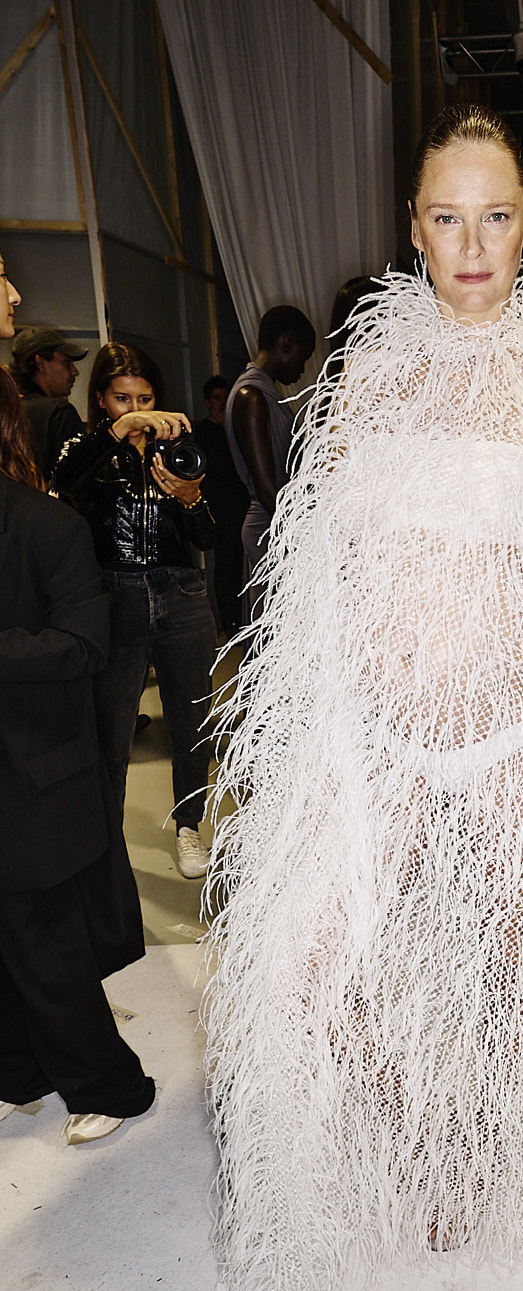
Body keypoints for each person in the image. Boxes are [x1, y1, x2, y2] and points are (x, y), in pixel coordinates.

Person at [205, 103, 523, 1291]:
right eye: (445, 218)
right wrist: (315, 714)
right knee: (340, 966)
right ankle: (406, 1135)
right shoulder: (365, 375)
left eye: (494, 217)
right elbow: (319, 567)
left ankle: (485, 1162)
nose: (471, 244)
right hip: (379, 745)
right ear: (413, 230)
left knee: (519, 971)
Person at [0, 256, 154, 1145]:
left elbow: (85, 647)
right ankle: (19, 1072)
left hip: (38, 778)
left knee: (44, 943)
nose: (18, 294)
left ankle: (110, 1085)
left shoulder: (47, 526)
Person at [51, 343, 218, 880]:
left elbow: (207, 538)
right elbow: (63, 487)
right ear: (100, 399)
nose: (136, 408)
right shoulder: (87, 446)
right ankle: (107, 841)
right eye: (122, 398)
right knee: (111, 727)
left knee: (192, 719)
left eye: (145, 398)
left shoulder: (177, 447)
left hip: (182, 590)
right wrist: (120, 434)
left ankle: (189, 826)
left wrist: (191, 497)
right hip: (114, 591)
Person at [225, 305, 315, 622]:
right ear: (286, 343)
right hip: (269, 525)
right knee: (275, 631)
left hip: (277, 522)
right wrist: (299, 538)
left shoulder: (267, 392)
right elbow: (266, 488)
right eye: (303, 358)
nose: (302, 369)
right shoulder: (251, 395)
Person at [194, 376, 249, 635]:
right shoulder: (205, 432)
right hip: (220, 510)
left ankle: (240, 618)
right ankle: (229, 622)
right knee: (225, 566)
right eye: (217, 398)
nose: (222, 402)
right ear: (208, 402)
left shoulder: (235, 429)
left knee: (239, 563)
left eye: (226, 397)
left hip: (240, 506)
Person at [10, 324, 87, 482]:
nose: (74, 371)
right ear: (41, 363)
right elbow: (76, 481)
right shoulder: (59, 412)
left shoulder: (9, 409)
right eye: (66, 363)